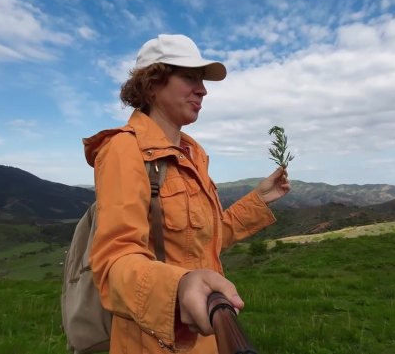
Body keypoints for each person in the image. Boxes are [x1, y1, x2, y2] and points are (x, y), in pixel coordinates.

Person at [83, 34, 290, 353]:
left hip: (208, 335)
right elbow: (114, 261)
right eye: (189, 77)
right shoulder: (124, 150)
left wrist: (259, 200)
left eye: (202, 80)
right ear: (152, 83)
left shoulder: (193, 153)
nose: (203, 89)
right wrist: (178, 286)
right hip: (155, 341)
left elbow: (204, 240)